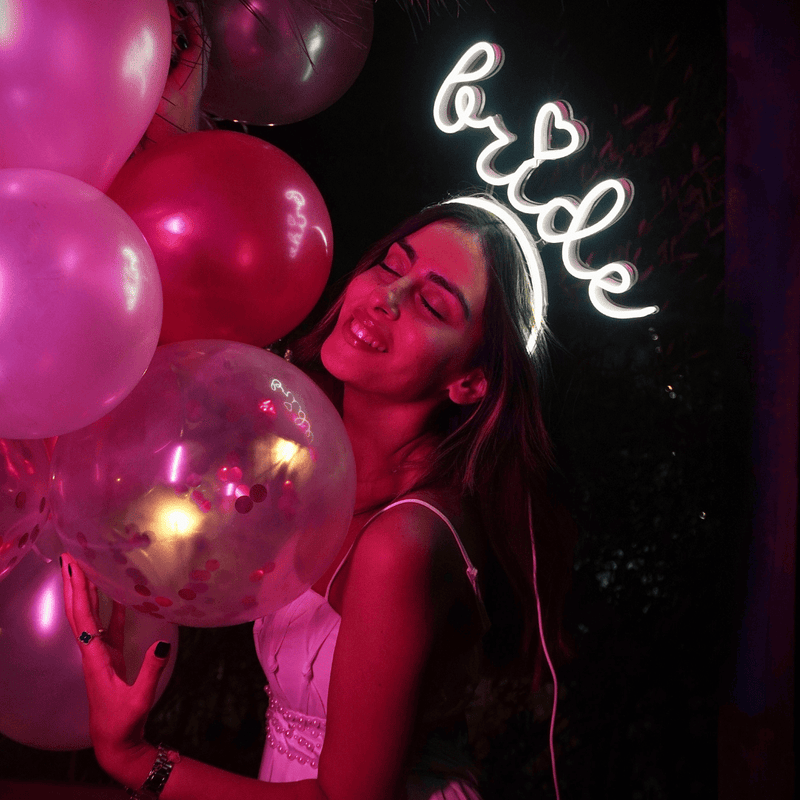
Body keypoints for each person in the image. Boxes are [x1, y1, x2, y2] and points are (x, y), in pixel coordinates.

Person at [61, 196, 575, 800]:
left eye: (433, 303)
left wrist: (136, 761)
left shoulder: (403, 542)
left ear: (470, 382)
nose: (387, 296)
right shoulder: (307, 474)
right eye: (390, 266)